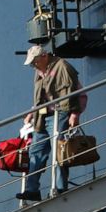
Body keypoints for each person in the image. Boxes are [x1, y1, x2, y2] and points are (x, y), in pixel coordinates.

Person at [18, 46, 87, 201]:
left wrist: (75, 114)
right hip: (42, 117)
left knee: (60, 152)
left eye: (34, 61)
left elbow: (76, 93)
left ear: (44, 56)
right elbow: (41, 98)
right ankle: (32, 189)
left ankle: (60, 188)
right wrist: (31, 113)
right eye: (32, 63)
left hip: (60, 114)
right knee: (36, 151)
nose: (33, 65)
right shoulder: (39, 71)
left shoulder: (62, 66)